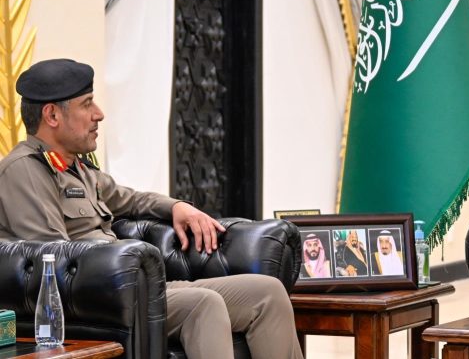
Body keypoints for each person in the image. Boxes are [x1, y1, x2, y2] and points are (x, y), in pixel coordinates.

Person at [0, 59, 303, 359]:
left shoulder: (76, 168)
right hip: (100, 304)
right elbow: (55, 262)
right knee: (204, 304)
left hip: (137, 290)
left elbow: (130, 199)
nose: (98, 114)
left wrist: (178, 207)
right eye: (87, 104)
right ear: (52, 115)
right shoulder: (25, 171)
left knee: (267, 293)